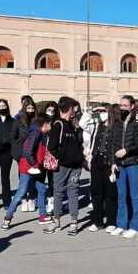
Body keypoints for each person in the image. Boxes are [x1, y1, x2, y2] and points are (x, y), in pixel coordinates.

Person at [1, 114, 53, 228]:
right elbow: (28, 150)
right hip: (29, 166)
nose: (51, 126)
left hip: (37, 167)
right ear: (44, 124)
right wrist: (34, 164)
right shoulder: (35, 133)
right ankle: (8, 217)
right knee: (21, 192)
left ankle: (42, 215)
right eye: (50, 124)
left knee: (41, 189)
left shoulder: (42, 133)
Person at [46, 97, 84, 235]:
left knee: (73, 192)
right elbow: (52, 147)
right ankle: (56, 221)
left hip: (76, 166)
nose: (76, 110)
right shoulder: (58, 124)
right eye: (74, 108)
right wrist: (63, 158)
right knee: (58, 192)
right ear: (68, 108)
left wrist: (80, 159)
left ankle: (74, 222)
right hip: (62, 166)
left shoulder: (72, 124)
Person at [110, 95, 138, 238]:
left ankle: (136, 226)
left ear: (131, 106)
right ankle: (121, 224)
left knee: (134, 195)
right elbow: (113, 143)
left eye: (125, 105)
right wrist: (113, 162)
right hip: (120, 165)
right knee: (121, 195)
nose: (122, 108)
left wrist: (127, 151)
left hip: (132, 163)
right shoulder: (117, 123)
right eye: (121, 105)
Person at [87, 106, 118, 232]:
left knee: (110, 193)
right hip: (96, 161)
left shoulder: (115, 127)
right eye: (99, 112)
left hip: (109, 162)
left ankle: (111, 221)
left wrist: (114, 163)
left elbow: (115, 145)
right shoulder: (96, 126)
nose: (101, 114)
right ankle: (97, 221)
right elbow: (84, 123)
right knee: (96, 192)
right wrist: (91, 111)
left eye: (103, 111)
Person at [11, 96, 38, 211]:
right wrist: (17, 153)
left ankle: (32, 198)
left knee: (33, 176)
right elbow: (12, 137)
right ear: (24, 108)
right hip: (22, 154)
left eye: (32, 108)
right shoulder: (18, 120)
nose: (30, 110)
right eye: (28, 108)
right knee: (22, 176)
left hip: (34, 153)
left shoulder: (37, 121)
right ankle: (23, 199)